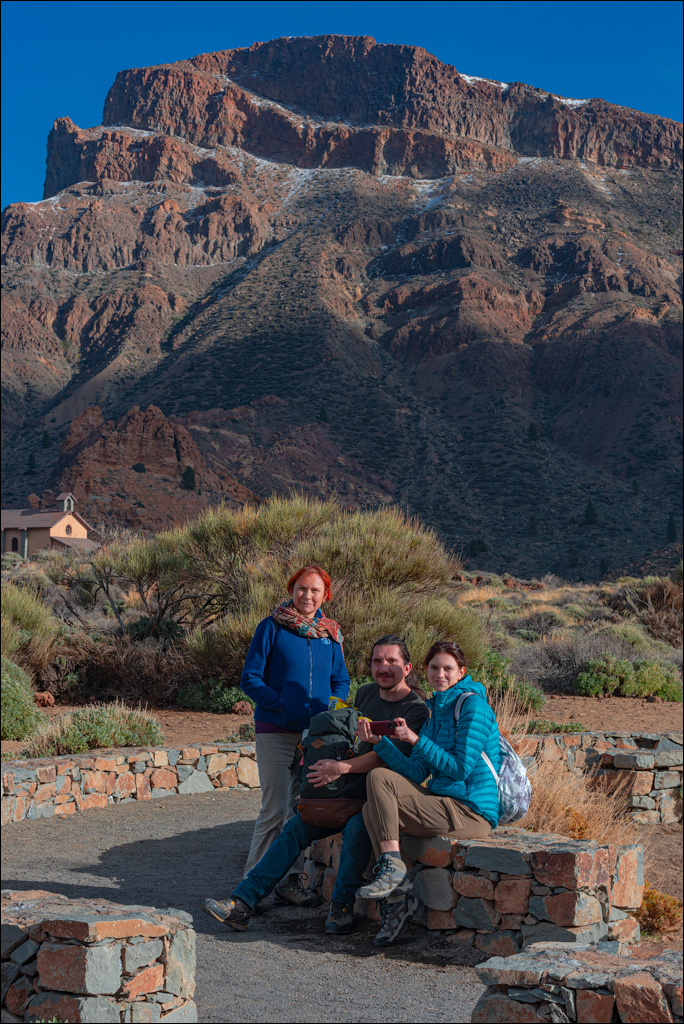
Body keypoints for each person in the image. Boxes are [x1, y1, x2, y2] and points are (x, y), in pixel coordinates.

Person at [201, 636, 430, 939]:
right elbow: (350, 739)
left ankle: (342, 907)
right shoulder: (365, 694)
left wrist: (341, 768)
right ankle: (242, 902)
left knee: (358, 826)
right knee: (297, 826)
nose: (383, 667)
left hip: (380, 798)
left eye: (391, 661)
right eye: (377, 661)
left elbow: (392, 757)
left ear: (407, 667)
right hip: (344, 790)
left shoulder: (416, 708)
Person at [355, 640, 500, 947]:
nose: (440, 674)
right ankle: (398, 896)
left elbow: (460, 769)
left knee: (379, 777)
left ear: (461, 672)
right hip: (444, 801)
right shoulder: (436, 710)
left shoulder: (473, 707)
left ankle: (392, 873)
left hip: (472, 810)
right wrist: (382, 742)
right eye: (434, 668)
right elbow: (418, 772)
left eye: (448, 668)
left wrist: (416, 739)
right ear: (425, 671)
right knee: (373, 804)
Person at [238, 564, 350, 907]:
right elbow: (250, 679)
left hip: (315, 738)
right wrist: (282, 705)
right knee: (273, 810)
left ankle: (289, 882)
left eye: (315, 590)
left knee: (300, 811)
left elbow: (341, 681)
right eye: (302, 588)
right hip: (276, 731)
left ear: (325, 596)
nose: (307, 596)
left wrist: (331, 711)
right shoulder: (272, 627)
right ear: (292, 589)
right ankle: (249, 889)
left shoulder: (331, 635)